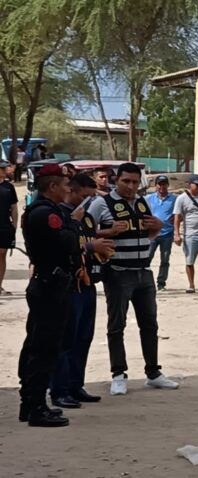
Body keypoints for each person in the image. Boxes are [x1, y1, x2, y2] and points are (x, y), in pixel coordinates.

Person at [88, 162, 178, 396]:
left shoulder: (141, 202)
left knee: (149, 324)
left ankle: (153, 373)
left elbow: (148, 235)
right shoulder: (101, 203)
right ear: (115, 180)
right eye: (126, 181)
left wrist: (157, 228)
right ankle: (118, 374)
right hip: (118, 272)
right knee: (116, 325)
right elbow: (83, 232)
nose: (130, 186)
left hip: (143, 272)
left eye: (135, 182)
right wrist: (108, 232)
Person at [16, 165, 85, 426]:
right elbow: (65, 242)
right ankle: (34, 406)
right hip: (49, 286)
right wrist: (74, 224)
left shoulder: (49, 211)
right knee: (43, 347)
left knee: (44, 344)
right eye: (64, 185)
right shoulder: (45, 213)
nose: (68, 189)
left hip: (52, 285)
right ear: (53, 186)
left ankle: (32, 402)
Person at [50, 174, 113, 410]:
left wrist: (101, 249)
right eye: (84, 197)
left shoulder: (86, 218)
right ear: (72, 191)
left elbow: (90, 241)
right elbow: (59, 246)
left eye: (91, 198)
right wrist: (89, 246)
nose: (87, 202)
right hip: (67, 286)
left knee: (83, 338)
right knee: (66, 339)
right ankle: (60, 389)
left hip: (87, 283)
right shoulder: (58, 216)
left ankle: (76, 385)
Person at [146, 175, 177, 291]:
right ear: (156, 185)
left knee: (165, 260)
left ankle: (161, 283)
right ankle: (146, 281)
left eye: (164, 184)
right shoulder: (148, 198)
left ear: (168, 185)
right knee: (147, 257)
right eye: (159, 184)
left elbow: (179, 213)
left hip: (167, 234)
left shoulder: (174, 199)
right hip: (152, 234)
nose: (162, 186)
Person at [0, 159, 17, 295]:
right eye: (2, 168)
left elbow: (14, 208)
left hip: (5, 225)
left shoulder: (9, 187)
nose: (5, 171)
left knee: (2, 254)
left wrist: (14, 226)